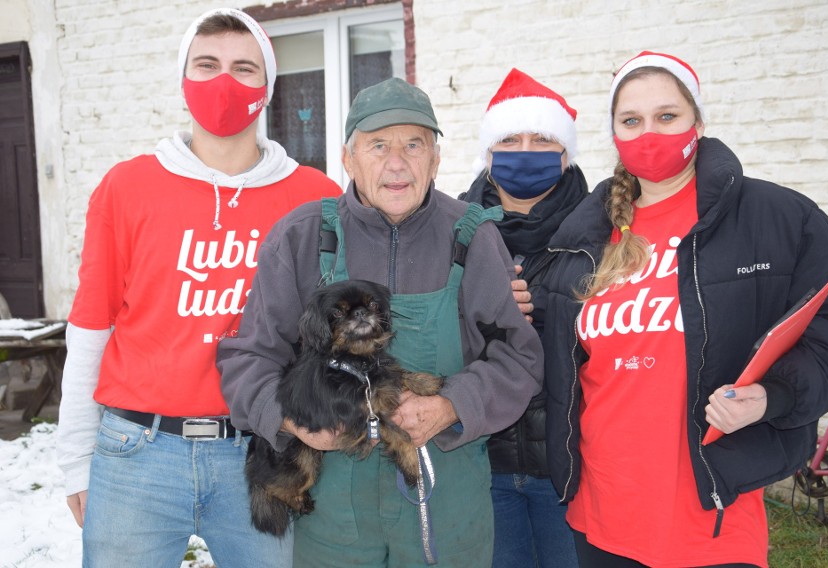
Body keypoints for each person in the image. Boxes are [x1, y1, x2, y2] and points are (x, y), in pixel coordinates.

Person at [540, 51, 828, 567]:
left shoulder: (776, 218)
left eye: (667, 117)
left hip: (712, 514)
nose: (649, 134)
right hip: (601, 512)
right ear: (613, 133)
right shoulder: (583, 234)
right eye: (631, 121)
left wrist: (772, 396)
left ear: (698, 121)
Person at [217, 77, 544, 567]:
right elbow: (249, 357)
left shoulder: (472, 237)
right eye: (378, 146)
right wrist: (294, 423)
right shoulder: (303, 237)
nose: (397, 163)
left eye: (414, 144)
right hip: (331, 511)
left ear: (435, 159)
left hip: (444, 498)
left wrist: (452, 405)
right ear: (348, 160)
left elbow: (519, 357)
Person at [55, 8, 341, 567]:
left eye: (244, 68)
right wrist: (74, 456)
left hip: (262, 453)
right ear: (183, 81)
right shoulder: (127, 186)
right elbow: (91, 324)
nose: (224, 83)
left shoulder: (316, 197)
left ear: (268, 87)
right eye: (206, 65)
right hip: (137, 453)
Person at [459, 68, 585, 568]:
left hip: (571, 468)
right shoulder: (454, 230)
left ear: (565, 153)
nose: (525, 150)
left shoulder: (600, 233)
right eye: (510, 139)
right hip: (480, 462)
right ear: (488, 156)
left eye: (542, 139)